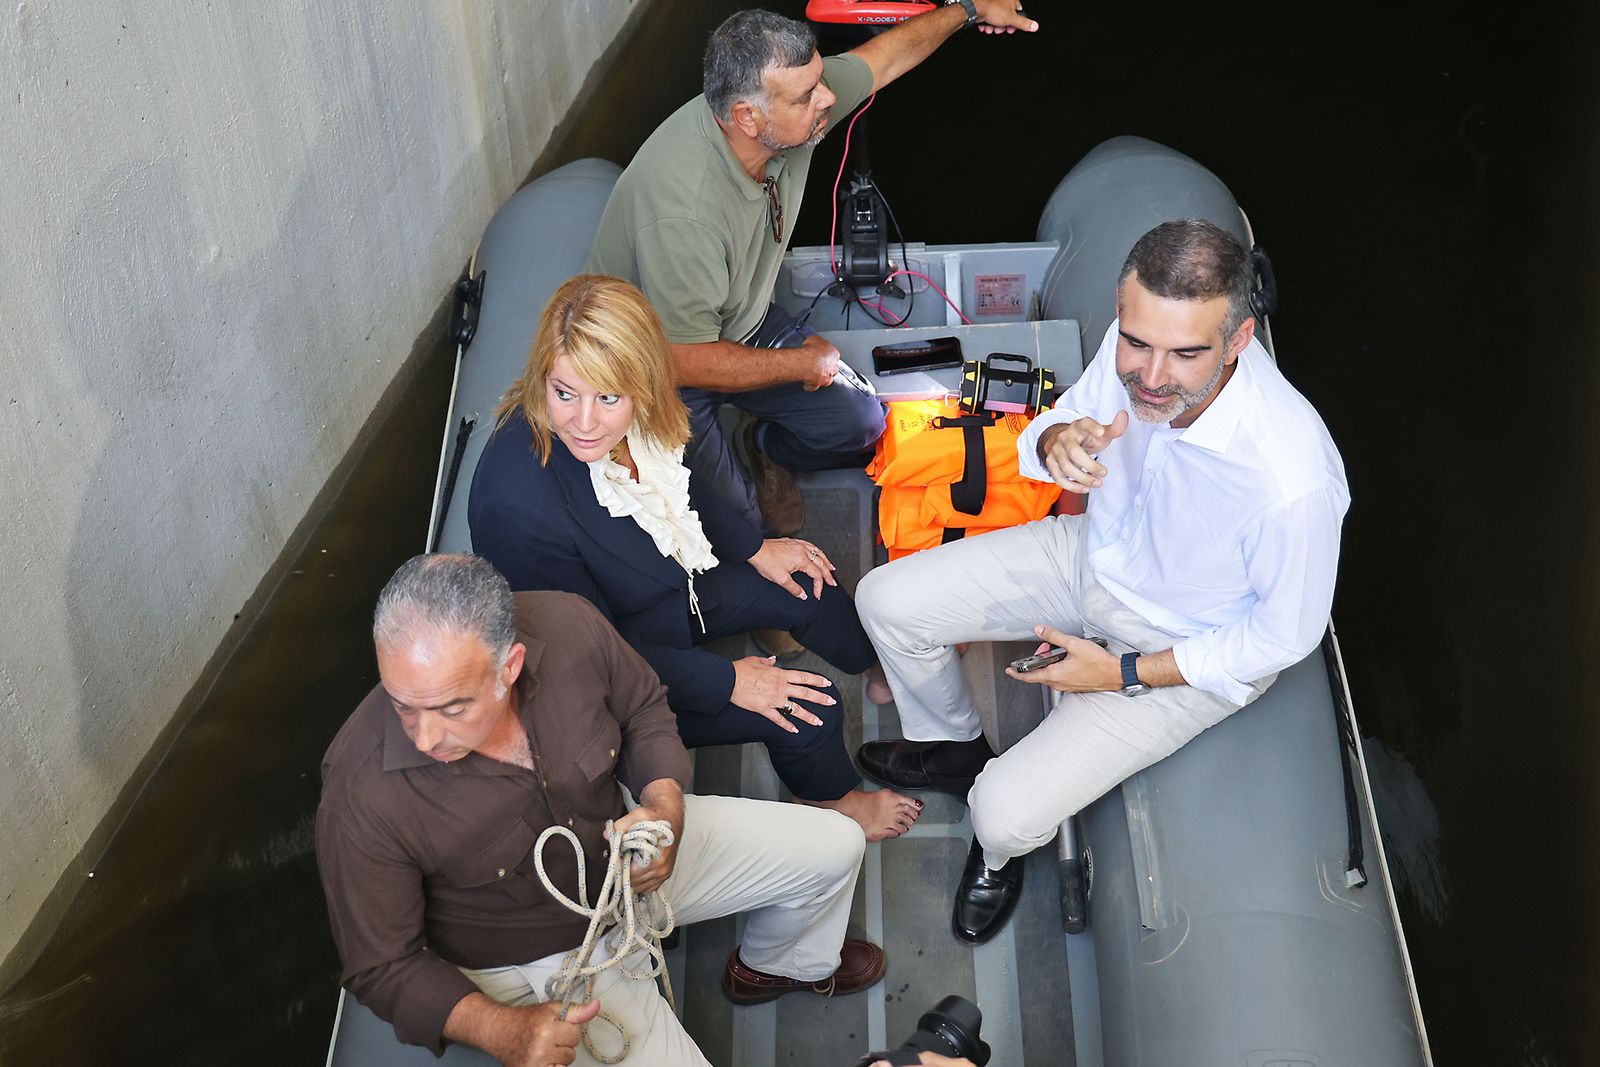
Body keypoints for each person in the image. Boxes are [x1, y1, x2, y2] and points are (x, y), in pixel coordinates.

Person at [852, 219, 1351, 944]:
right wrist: (1052, 439)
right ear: (1122, 310)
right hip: (1095, 555)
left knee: (999, 812)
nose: (1150, 376)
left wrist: (1121, 672)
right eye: (1137, 341)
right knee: (885, 600)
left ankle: (995, 857)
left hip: (1181, 645)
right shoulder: (1134, 361)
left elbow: (1284, 636)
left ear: (1238, 340)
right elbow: (1058, 425)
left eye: (1185, 353)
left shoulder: (1291, 479)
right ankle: (954, 745)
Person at [316, 553, 890, 1067]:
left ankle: (776, 965)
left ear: (509, 666)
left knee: (838, 845)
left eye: (452, 706)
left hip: (629, 860)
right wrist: (503, 1030)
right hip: (538, 957)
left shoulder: (569, 625)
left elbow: (642, 706)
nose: (423, 736)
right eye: (403, 705)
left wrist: (665, 805)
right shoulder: (360, 790)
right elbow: (381, 965)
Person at [467, 274, 922, 842]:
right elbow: (588, 661)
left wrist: (757, 549)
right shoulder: (518, 510)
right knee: (814, 706)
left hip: (661, 591)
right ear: (543, 378)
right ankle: (837, 802)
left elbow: (683, 487)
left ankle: (881, 670)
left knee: (807, 580)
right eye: (564, 393)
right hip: (615, 668)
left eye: (608, 397)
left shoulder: (647, 411)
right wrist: (724, 680)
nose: (583, 423)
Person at [586, 3, 1039, 540]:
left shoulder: (794, 116)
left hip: (740, 321)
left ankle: (761, 446)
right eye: (806, 96)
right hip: (657, 366)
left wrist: (966, 9)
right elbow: (683, 361)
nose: (826, 99)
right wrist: (800, 364)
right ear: (747, 117)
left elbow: (884, 58)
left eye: (820, 82)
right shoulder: (685, 214)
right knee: (738, 521)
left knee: (861, 424)